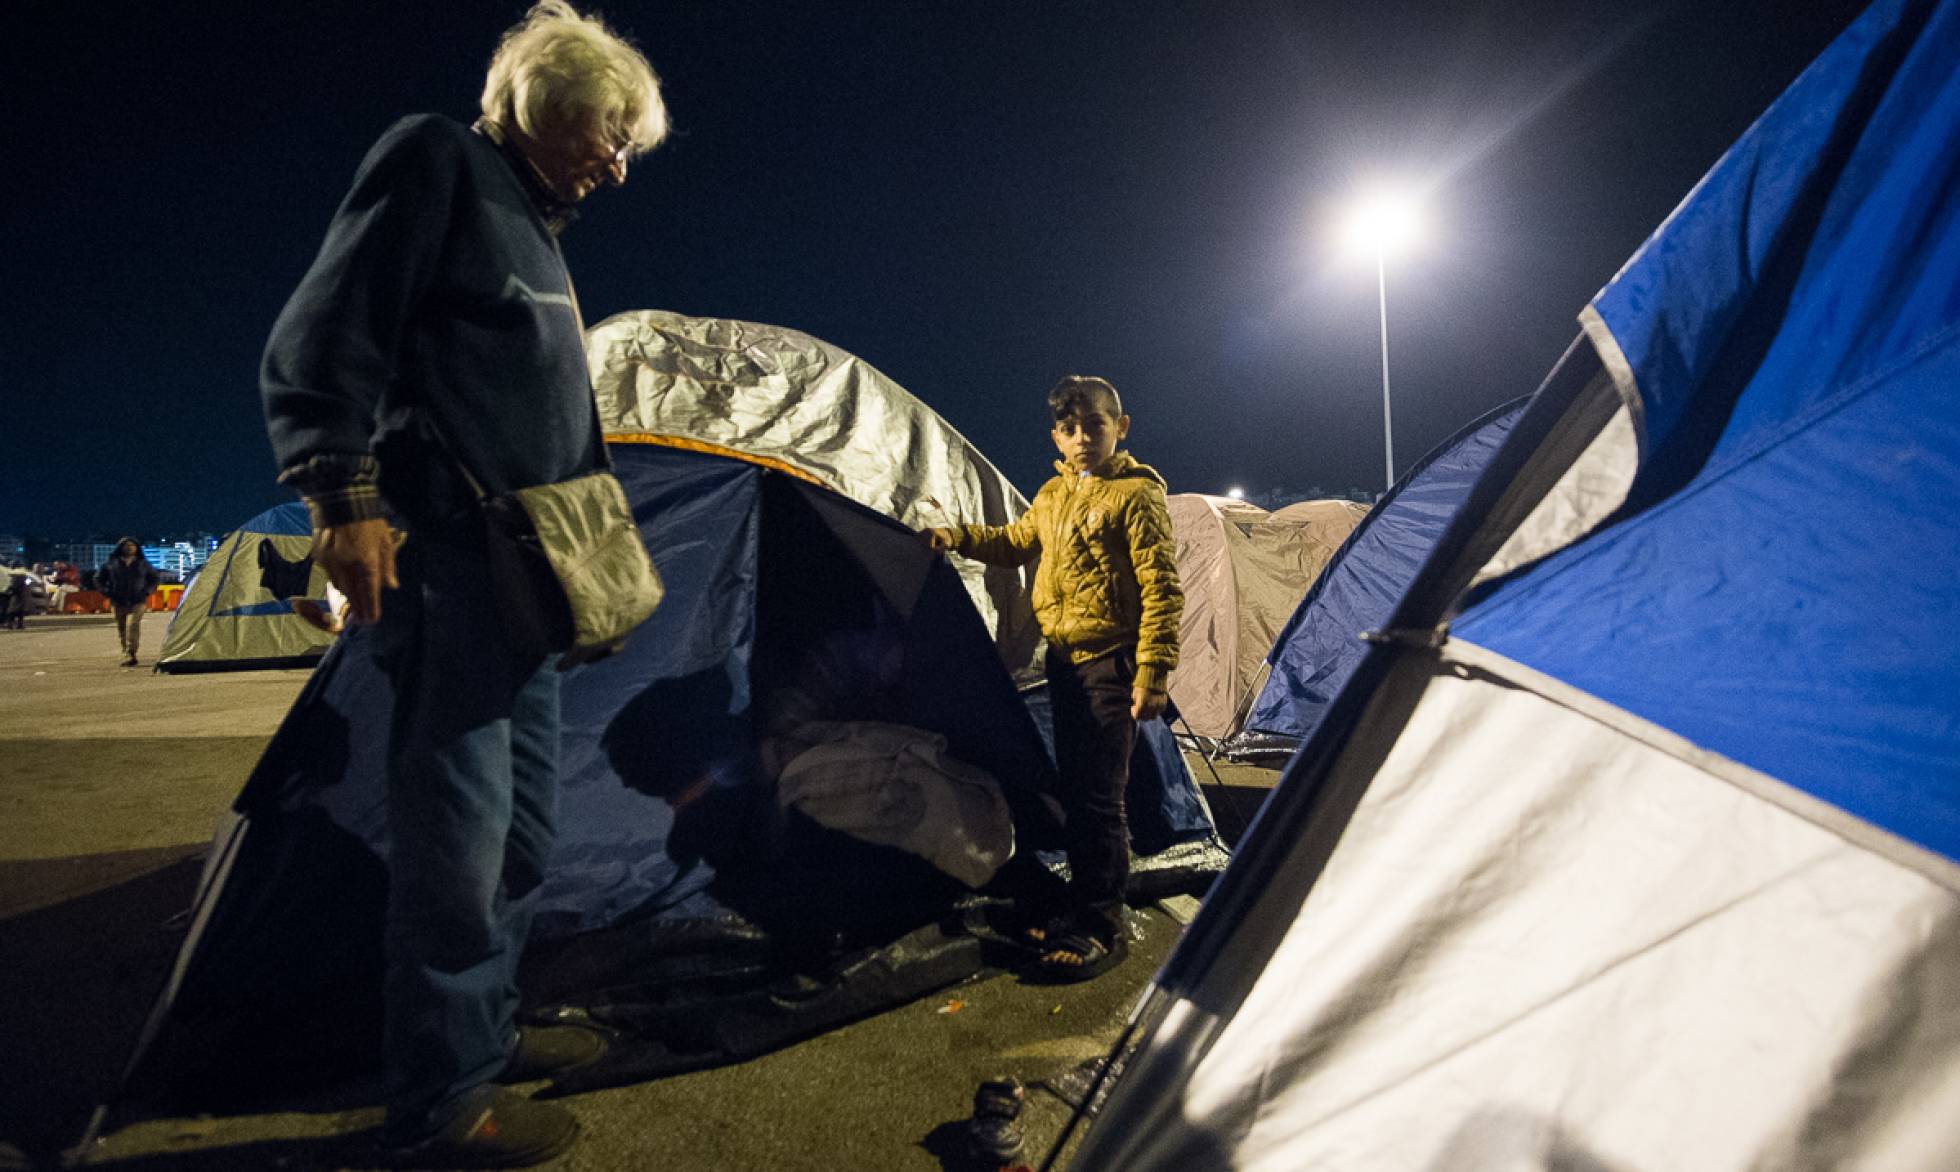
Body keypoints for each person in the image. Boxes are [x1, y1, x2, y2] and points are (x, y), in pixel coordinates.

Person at [258, 3, 667, 1165]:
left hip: (525, 586)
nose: (618, 163)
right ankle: (440, 1104)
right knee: (457, 846)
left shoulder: (536, 227)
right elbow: (322, 332)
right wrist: (344, 497)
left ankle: (482, 1034)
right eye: (610, 131)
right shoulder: (437, 160)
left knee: (522, 836)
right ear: (550, 97)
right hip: (448, 568)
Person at [922, 374, 1182, 982]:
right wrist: (956, 537)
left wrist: (1153, 671)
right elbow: (1015, 542)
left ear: (1120, 427)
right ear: (1056, 437)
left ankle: (1101, 925)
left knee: (1098, 801)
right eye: (1070, 428)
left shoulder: (1135, 496)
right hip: (1065, 662)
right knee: (1080, 792)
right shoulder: (1051, 497)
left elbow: (1162, 589)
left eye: (1094, 424)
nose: (1082, 437)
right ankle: (1084, 901)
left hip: (1111, 665)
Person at [98, 539, 159, 665]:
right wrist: (107, 592)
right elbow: (98, 578)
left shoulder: (143, 564)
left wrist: (147, 591)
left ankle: (131, 652)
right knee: (122, 629)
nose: (129, 547)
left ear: (137, 548)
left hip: (138, 600)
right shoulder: (111, 564)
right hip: (118, 600)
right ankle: (126, 652)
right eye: (126, 545)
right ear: (120, 547)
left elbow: (154, 579)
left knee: (133, 625)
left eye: (132, 545)